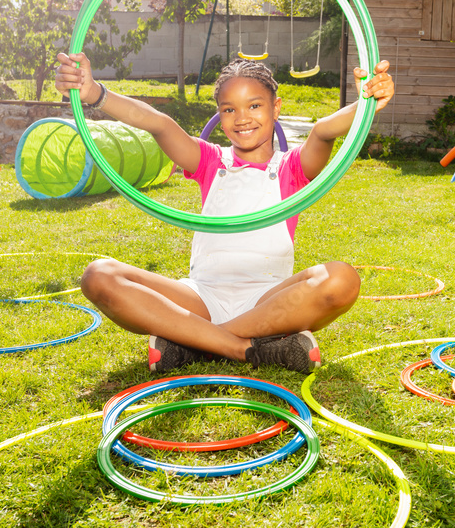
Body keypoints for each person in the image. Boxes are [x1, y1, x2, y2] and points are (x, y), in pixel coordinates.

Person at [54, 53, 394, 373]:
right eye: (229, 109)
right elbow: (157, 124)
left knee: (341, 279)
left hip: (269, 302)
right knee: (99, 275)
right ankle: (244, 348)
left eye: (255, 106)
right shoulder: (209, 161)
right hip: (201, 296)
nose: (242, 118)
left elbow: (322, 131)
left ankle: (195, 341)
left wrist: (366, 103)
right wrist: (95, 93)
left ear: (276, 108)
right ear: (218, 115)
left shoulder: (292, 167)